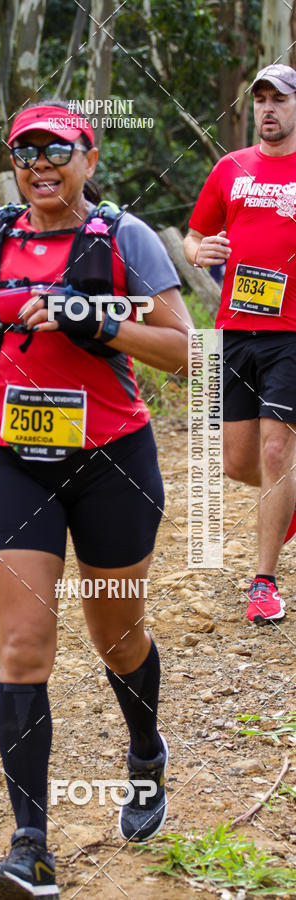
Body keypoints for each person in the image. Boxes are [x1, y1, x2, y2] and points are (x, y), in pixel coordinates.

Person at [0, 102, 192, 899]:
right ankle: (30, 848)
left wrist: (98, 320)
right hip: (13, 456)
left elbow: (184, 352)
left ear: (90, 155)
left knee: (116, 638)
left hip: (112, 457)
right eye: (24, 151)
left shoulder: (126, 239)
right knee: (22, 648)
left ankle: (145, 751)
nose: (40, 164)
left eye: (56, 150)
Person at [184, 63, 296, 626]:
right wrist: (196, 253)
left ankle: (263, 583)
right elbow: (195, 235)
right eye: (261, 99)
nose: (268, 108)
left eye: (279, 98)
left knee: (278, 453)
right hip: (232, 331)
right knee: (236, 462)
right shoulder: (230, 170)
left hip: (291, 334)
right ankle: (288, 498)